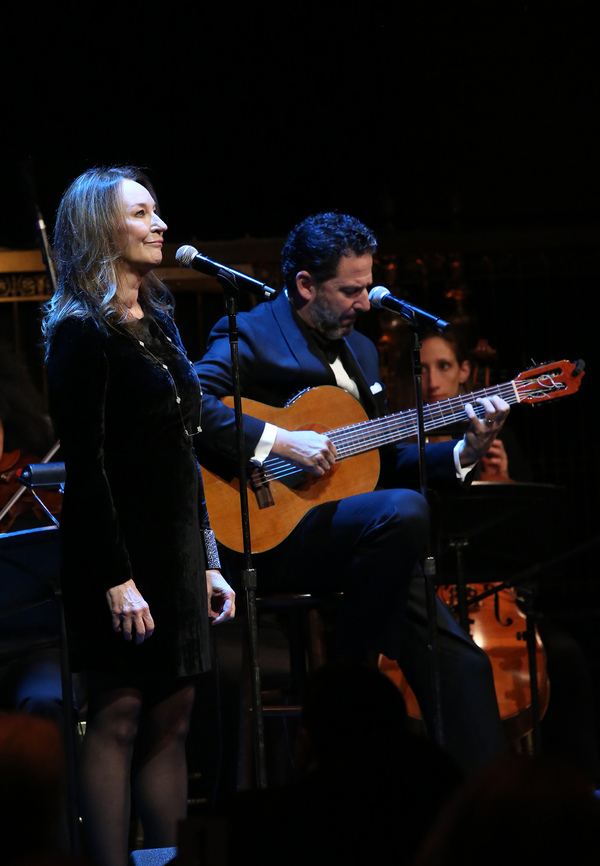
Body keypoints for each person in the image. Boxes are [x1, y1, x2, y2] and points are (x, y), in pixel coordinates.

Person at [194, 212, 510, 775]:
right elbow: (194, 405)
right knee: (405, 510)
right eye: (351, 289)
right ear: (306, 285)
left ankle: (485, 813)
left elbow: (382, 457)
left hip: (367, 542)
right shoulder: (252, 332)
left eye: (367, 286)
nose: (365, 302)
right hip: (275, 532)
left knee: (464, 665)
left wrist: (464, 449)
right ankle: (352, 670)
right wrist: (280, 440)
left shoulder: (361, 351)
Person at [42, 166, 236, 866]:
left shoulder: (157, 323)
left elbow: (183, 449)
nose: (159, 225)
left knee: (174, 720)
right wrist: (117, 579)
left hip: (179, 552)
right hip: (118, 555)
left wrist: (210, 559)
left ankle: (172, 860)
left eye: (157, 212)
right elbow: (87, 470)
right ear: (102, 227)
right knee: (119, 716)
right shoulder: (79, 334)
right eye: (142, 214)